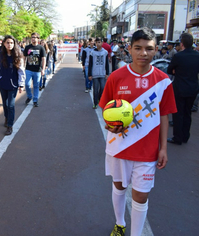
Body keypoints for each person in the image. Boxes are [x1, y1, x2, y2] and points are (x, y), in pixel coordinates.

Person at [98, 27, 177, 236]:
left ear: (156, 50)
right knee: (119, 187)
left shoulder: (163, 81)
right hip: (118, 146)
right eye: (138, 48)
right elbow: (105, 108)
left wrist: (163, 149)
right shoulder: (116, 77)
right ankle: (120, 223)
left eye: (149, 49)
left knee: (141, 197)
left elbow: (164, 116)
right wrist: (110, 124)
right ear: (129, 50)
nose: (143, 53)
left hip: (147, 151)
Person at [0, 35, 25, 135]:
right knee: (5, 104)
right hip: (2, 83)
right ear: (4, 44)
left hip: (13, 84)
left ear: (14, 44)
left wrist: (21, 84)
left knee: (10, 105)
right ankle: (6, 117)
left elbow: (21, 71)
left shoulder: (18, 55)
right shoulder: (1, 55)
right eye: (7, 42)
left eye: (11, 43)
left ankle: (10, 126)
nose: (9, 44)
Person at [167, 32, 199, 145]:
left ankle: (178, 137)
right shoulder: (197, 55)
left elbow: (169, 70)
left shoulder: (178, 56)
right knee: (187, 113)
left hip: (180, 88)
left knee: (178, 113)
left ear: (182, 44)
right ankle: (185, 136)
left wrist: (177, 71)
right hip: (193, 88)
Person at [23, 32, 46, 107]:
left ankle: (35, 100)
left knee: (36, 86)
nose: (33, 39)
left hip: (37, 70)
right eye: (32, 37)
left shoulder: (41, 48)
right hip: (28, 69)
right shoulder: (27, 47)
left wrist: (43, 69)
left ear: (38, 39)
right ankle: (29, 96)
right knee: (27, 84)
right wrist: (23, 67)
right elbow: (24, 57)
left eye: (35, 37)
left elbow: (43, 59)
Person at [88, 37, 109, 109]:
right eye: (97, 42)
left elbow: (107, 63)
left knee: (103, 88)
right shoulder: (92, 52)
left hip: (103, 73)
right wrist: (89, 74)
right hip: (95, 73)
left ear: (102, 43)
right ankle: (95, 103)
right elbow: (90, 64)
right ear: (95, 43)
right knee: (95, 89)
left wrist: (107, 73)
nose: (98, 44)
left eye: (99, 42)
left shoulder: (105, 52)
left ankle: (99, 98)